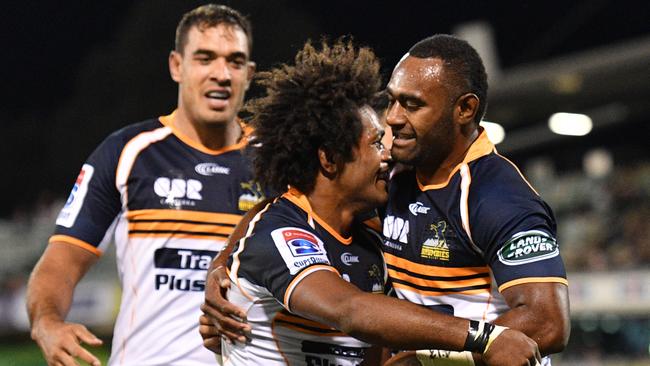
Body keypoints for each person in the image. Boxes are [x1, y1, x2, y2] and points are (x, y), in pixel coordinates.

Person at [204, 34, 570, 365]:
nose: (393, 119)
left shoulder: (497, 196)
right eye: (392, 101)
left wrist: (429, 362)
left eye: (412, 104)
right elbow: (279, 215)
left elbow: (547, 324)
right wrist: (223, 273)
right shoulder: (395, 175)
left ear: (465, 110)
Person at [26, 4, 264, 366]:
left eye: (234, 61)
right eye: (205, 58)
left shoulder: (278, 160)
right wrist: (46, 321)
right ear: (176, 65)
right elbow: (61, 261)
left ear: (249, 74)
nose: (221, 74)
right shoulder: (126, 152)